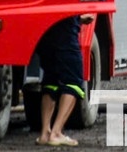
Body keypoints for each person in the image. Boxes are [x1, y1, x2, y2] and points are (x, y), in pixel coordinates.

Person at [36, 12, 95, 146]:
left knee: (50, 81)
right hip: (66, 34)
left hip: (45, 32)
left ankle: (45, 133)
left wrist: (78, 19)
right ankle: (56, 133)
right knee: (73, 82)